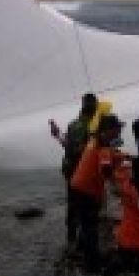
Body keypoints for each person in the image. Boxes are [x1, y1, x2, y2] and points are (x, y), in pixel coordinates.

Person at [69, 112, 127, 275]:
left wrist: (126, 156)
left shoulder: (95, 142)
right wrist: (117, 187)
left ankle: (79, 253)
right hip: (86, 191)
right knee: (91, 229)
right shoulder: (103, 147)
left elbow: (108, 156)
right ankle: (92, 269)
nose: (119, 132)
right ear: (108, 130)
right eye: (117, 128)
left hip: (77, 187)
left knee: (86, 224)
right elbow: (106, 169)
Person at [59, 94, 97, 248]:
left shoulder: (73, 124)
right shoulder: (88, 126)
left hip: (71, 169)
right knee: (85, 206)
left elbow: (68, 145)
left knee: (74, 204)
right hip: (80, 170)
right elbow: (78, 150)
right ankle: (79, 240)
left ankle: (71, 238)